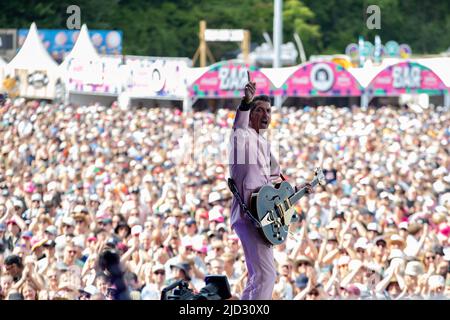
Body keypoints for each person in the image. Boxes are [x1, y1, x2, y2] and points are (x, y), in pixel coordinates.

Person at [229, 73, 313, 300]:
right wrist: (246, 102)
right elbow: (239, 123)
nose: (265, 114)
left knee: (262, 275)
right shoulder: (241, 137)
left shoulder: (264, 145)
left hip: (263, 214)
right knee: (265, 275)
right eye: (259, 110)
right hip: (249, 214)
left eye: (268, 110)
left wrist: (297, 189)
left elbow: (276, 181)